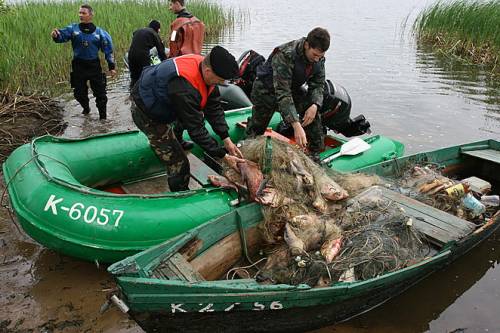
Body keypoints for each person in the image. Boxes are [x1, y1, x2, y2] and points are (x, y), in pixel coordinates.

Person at [130, 46, 244, 191]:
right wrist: (224, 156)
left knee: (186, 117)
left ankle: (177, 139)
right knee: (179, 162)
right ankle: (180, 194)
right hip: (146, 108)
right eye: (220, 80)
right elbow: (196, 130)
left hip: (169, 98)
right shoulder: (184, 87)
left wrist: (226, 139)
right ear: (208, 71)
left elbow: (214, 107)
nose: (220, 84)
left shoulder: (205, 69)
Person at [245, 27, 330, 162]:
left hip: (292, 89)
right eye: (314, 55)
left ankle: (314, 153)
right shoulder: (285, 54)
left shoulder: (318, 58)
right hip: (266, 91)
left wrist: (315, 104)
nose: (316, 59)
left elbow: (318, 84)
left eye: (320, 56)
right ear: (307, 45)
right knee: (257, 129)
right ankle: (247, 151)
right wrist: (296, 124)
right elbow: (282, 93)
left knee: (312, 111)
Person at [51, 4, 116, 120]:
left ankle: (103, 120)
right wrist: (56, 35)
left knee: (101, 95)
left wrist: (111, 66)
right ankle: (86, 109)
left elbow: (108, 50)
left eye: (83, 13)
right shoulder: (73, 29)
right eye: (79, 13)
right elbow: (61, 36)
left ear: (91, 15)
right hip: (78, 65)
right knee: (79, 94)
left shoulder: (100, 33)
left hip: (94, 66)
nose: (80, 15)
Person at [128, 20, 167, 89]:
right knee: (145, 76)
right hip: (142, 56)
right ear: (157, 28)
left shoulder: (138, 30)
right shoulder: (154, 33)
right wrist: (165, 62)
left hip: (131, 55)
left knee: (134, 77)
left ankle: (132, 93)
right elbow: (161, 50)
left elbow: (136, 36)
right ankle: (144, 93)